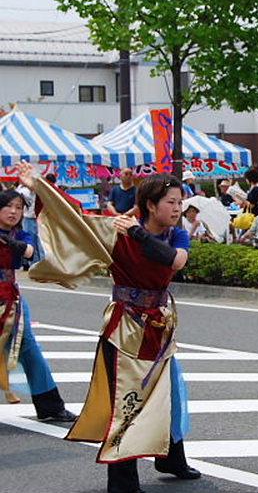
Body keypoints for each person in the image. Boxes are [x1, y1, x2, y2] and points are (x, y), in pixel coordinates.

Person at [19, 165, 201, 493]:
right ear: (151, 205)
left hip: (160, 328)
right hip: (126, 328)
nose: (178, 209)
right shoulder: (115, 231)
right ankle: (121, 480)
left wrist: (139, 233)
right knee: (126, 402)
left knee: (170, 395)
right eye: (171, 202)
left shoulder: (174, 233)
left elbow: (175, 261)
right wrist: (40, 186)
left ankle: (171, 457)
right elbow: (74, 220)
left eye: (179, 202)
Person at [0, 189, 76, 421]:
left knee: (30, 351)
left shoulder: (21, 235)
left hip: (11, 301)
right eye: (9, 206)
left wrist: (7, 241)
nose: (14, 211)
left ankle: (51, 406)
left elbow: (30, 252)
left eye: (19, 207)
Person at [16, 182, 42, 267]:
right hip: (29, 218)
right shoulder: (23, 190)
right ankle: (34, 265)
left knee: (40, 242)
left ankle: (40, 263)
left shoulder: (40, 190)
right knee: (31, 241)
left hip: (39, 218)